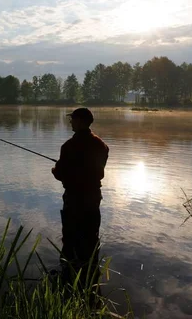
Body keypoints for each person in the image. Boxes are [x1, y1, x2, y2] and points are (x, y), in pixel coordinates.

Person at [51, 107, 109, 287]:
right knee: (91, 234)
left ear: (81, 121)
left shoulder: (69, 146)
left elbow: (60, 173)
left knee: (70, 236)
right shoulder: (101, 145)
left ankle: (69, 276)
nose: (70, 122)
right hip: (93, 196)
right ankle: (90, 275)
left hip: (74, 198)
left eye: (73, 119)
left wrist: (55, 169)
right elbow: (99, 171)